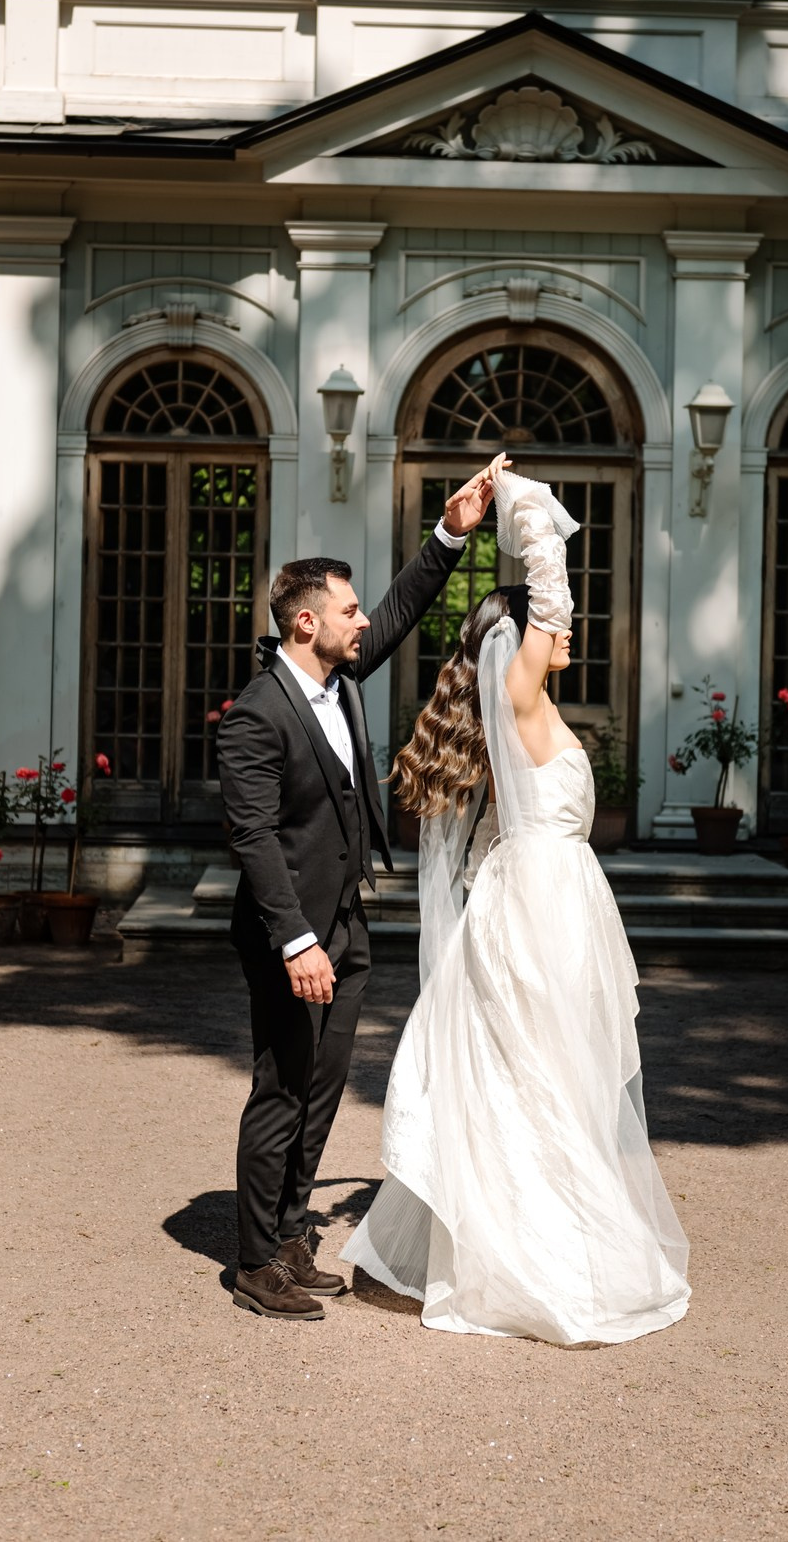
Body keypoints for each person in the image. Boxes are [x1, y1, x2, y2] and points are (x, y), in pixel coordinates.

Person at [341, 458, 691, 1345]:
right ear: (522, 635)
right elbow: (557, 599)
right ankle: (551, 1257)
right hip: (543, 902)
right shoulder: (522, 696)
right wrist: (526, 507)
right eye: (546, 631)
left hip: (526, 895)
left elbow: (497, 826)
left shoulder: (518, 713)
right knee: (549, 1071)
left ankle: (528, 1229)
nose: (565, 637)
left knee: (537, 1072)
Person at [216, 463, 504, 1322]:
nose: (361, 621)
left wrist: (452, 532)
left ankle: (293, 1231)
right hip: (294, 934)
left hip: (347, 924)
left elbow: (403, 609)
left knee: (325, 1086)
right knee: (281, 1088)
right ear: (306, 623)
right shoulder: (256, 715)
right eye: (346, 611)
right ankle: (254, 1259)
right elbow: (254, 838)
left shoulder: (335, 679)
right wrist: (296, 940)